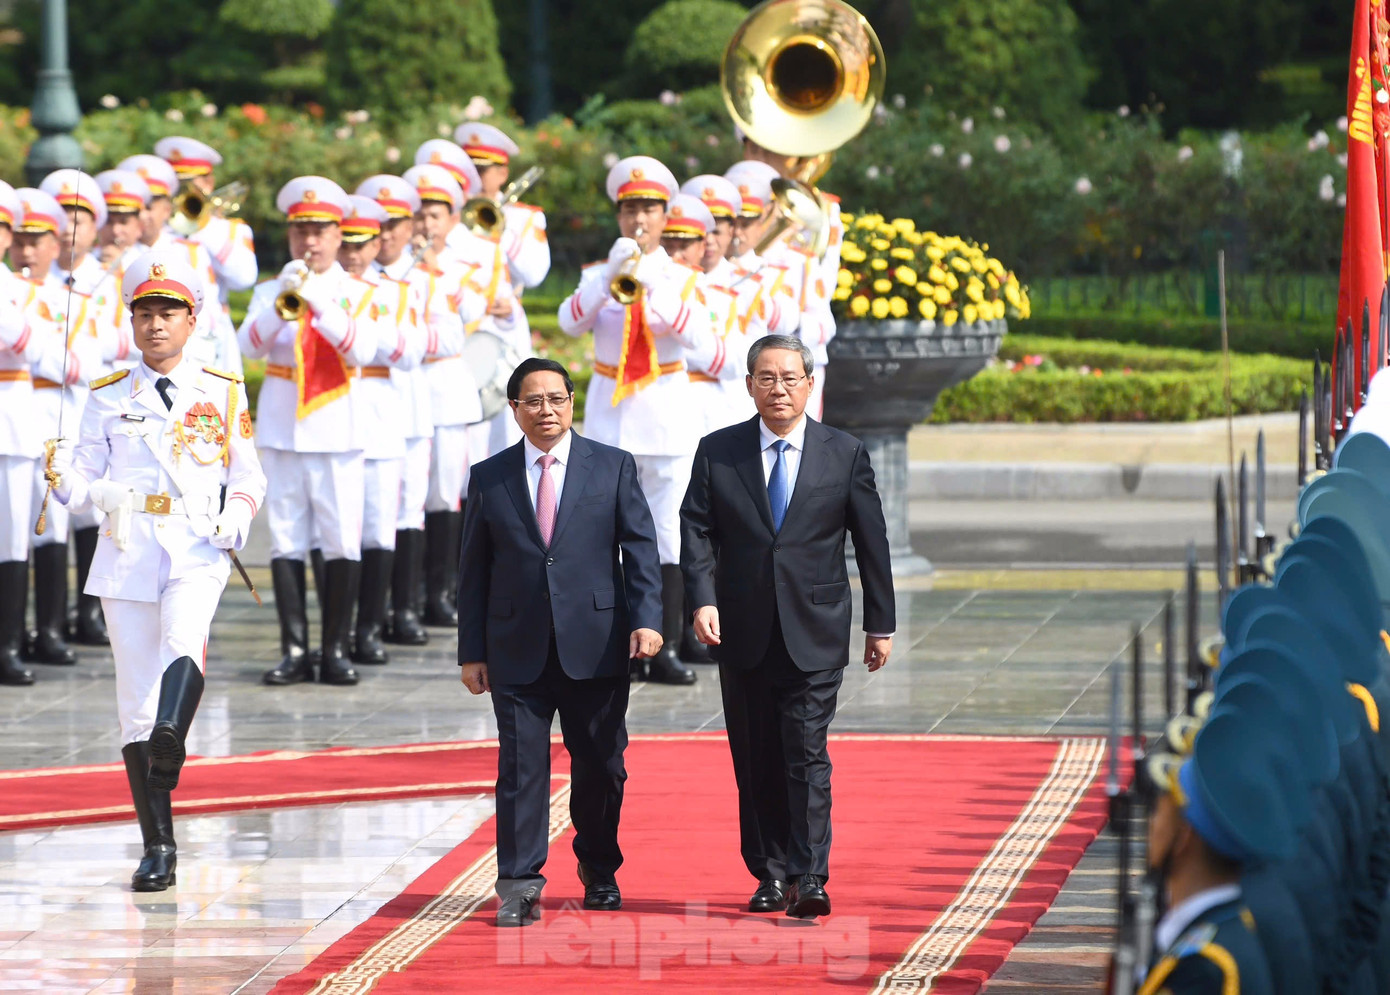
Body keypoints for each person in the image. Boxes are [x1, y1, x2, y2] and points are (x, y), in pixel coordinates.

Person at [46, 249, 266, 891]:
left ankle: (174, 735)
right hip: (127, 547)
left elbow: (247, 473)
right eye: (145, 313)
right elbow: (81, 478)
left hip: (197, 544)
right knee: (133, 704)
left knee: (183, 641)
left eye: (169, 312)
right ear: (132, 320)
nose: (156, 324)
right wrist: (64, 478)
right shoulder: (109, 395)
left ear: (192, 319)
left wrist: (238, 515)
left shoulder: (222, 390)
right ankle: (159, 845)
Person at [679, 333, 895, 919]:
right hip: (742, 631)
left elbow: (871, 543)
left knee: (805, 750)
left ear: (809, 384)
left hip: (816, 629)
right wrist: (701, 599)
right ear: (749, 385)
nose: (779, 389)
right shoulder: (718, 452)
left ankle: (810, 874)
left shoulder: (842, 452)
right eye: (767, 378)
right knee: (755, 757)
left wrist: (881, 623)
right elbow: (695, 530)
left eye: (790, 378)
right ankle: (769, 875)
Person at [457, 357, 663, 926]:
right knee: (520, 768)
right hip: (514, 647)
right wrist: (471, 651)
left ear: (572, 402)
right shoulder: (489, 476)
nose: (546, 410)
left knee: (601, 764)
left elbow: (640, 548)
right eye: (533, 401)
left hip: (596, 645)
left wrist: (647, 619)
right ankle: (519, 885)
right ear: (515, 409)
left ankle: (599, 868)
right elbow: (472, 571)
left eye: (556, 399)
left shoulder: (611, 466)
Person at [558, 154, 724, 686]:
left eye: (650, 210)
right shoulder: (598, 274)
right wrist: (608, 278)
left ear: (665, 214)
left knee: (669, 535)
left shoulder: (682, 278)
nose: (640, 220)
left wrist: (655, 282)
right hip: (611, 419)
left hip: (666, 417)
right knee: (607, 538)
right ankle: (618, 647)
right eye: (631, 210)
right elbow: (568, 321)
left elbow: (702, 341)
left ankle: (665, 646)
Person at [237, 176, 382, 687]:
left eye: (320, 231)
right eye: (301, 232)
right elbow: (250, 346)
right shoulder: (271, 289)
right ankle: (294, 649)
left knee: (341, 539)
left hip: (337, 428)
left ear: (340, 235)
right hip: (282, 428)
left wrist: (318, 300)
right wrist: (283, 298)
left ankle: (335, 649)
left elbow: (363, 351)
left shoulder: (358, 292)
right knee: (286, 540)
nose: (310, 242)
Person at [399, 161, 492, 629]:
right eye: (419, 215)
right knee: (407, 494)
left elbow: (475, 310)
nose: (426, 224)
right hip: (406, 386)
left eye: (435, 215)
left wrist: (437, 271)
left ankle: (442, 591)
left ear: (453, 219)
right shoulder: (394, 264)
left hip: (447, 385)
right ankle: (407, 595)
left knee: (445, 492)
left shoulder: (464, 263)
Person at [335, 195, 424, 665]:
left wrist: (363, 335)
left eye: (361, 243)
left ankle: (368, 629)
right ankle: (338, 630)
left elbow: (411, 350)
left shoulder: (396, 291)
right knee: (336, 533)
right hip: (329, 414)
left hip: (380, 416)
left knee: (377, 527)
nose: (352, 254)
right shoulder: (320, 287)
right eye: (344, 243)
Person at [13, 187, 98, 668]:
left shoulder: (71, 299)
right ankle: (16, 628)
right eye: (20, 240)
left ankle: (48, 628)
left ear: (54, 246)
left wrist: (33, 349)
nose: (27, 251)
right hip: (14, 416)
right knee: (13, 532)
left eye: (37, 241)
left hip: (54, 421)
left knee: (52, 529)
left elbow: (83, 363)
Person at [0, 181, 69, 686]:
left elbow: (33, 347)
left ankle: (6, 645)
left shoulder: (24, 293)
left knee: (10, 542)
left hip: (10, 420)